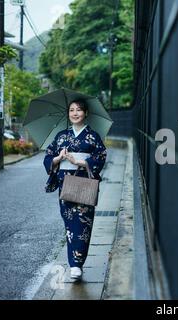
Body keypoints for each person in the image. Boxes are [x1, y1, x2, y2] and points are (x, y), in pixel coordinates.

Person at [43, 99, 107, 281]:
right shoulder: (61, 136)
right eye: (71, 110)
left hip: (85, 182)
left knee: (83, 223)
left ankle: (77, 264)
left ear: (86, 113)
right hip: (66, 182)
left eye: (79, 110)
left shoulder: (93, 136)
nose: (75, 113)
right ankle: (74, 264)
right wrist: (57, 158)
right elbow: (48, 156)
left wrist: (80, 162)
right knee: (70, 223)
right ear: (68, 113)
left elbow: (101, 156)